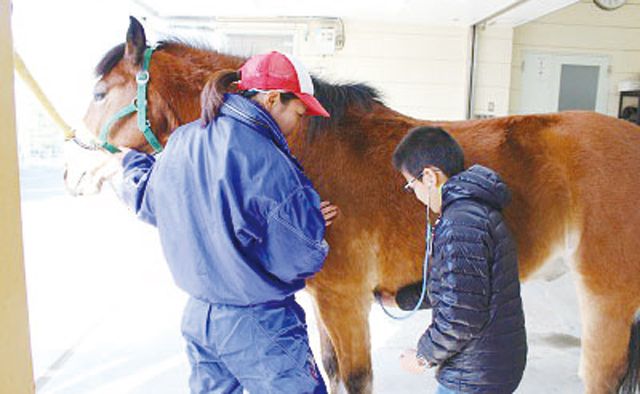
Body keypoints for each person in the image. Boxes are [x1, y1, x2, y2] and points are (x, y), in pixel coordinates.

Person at [117, 51, 338, 394]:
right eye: (299, 111)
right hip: (258, 322)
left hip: (199, 318)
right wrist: (310, 223)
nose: (300, 121)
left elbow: (148, 202)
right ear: (273, 98)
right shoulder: (268, 160)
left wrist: (130, 162)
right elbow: (299, 257)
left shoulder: (183, 140)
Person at [389, 126, 527, 394]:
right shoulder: (473, 212)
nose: (414, 194)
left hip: (473, 376)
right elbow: (460, 287)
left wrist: (422, 356)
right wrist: (400, 300)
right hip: (491, 363)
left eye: (411, 184)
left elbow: (460, 316)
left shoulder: (460, 223)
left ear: (429, 176)